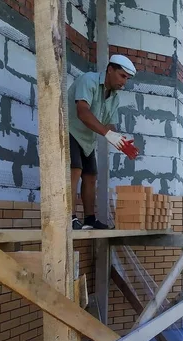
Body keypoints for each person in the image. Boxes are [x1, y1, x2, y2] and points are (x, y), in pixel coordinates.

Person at [67, 54, 139, 230]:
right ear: (109, 70)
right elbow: (82, 112)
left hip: (87, 138)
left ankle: (90, 220)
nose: (124, 82)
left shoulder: (114, 97)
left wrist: (120, 140)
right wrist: (108, 133)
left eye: (127, 78)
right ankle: (67, 217)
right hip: (68, 129)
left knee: (91, 176)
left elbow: (108, 124)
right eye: (122, 76)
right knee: (75, 170)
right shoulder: (88, 80)